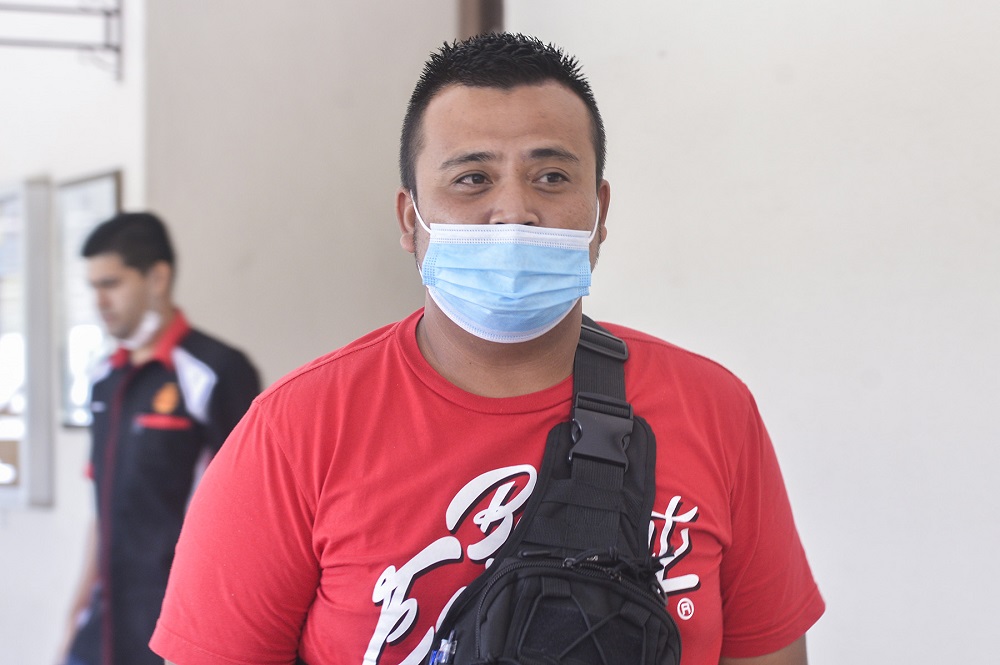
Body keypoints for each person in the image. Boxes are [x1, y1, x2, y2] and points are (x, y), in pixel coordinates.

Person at [150, 33, 824, 665]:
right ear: (410, 221)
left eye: (552, 177)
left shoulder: (713, 409)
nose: (514, 210)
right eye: (471, 179)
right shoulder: (295, 432)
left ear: (601, 212)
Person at [60, 212, 261, 665]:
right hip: (103, 627)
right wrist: (75, 612)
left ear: (157, 277)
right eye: (92, 286)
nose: (99, 300)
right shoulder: (104, 378)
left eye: (111, 283)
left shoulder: (216, 371)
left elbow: (250, 516)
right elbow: (102, 509)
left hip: (178, 627)